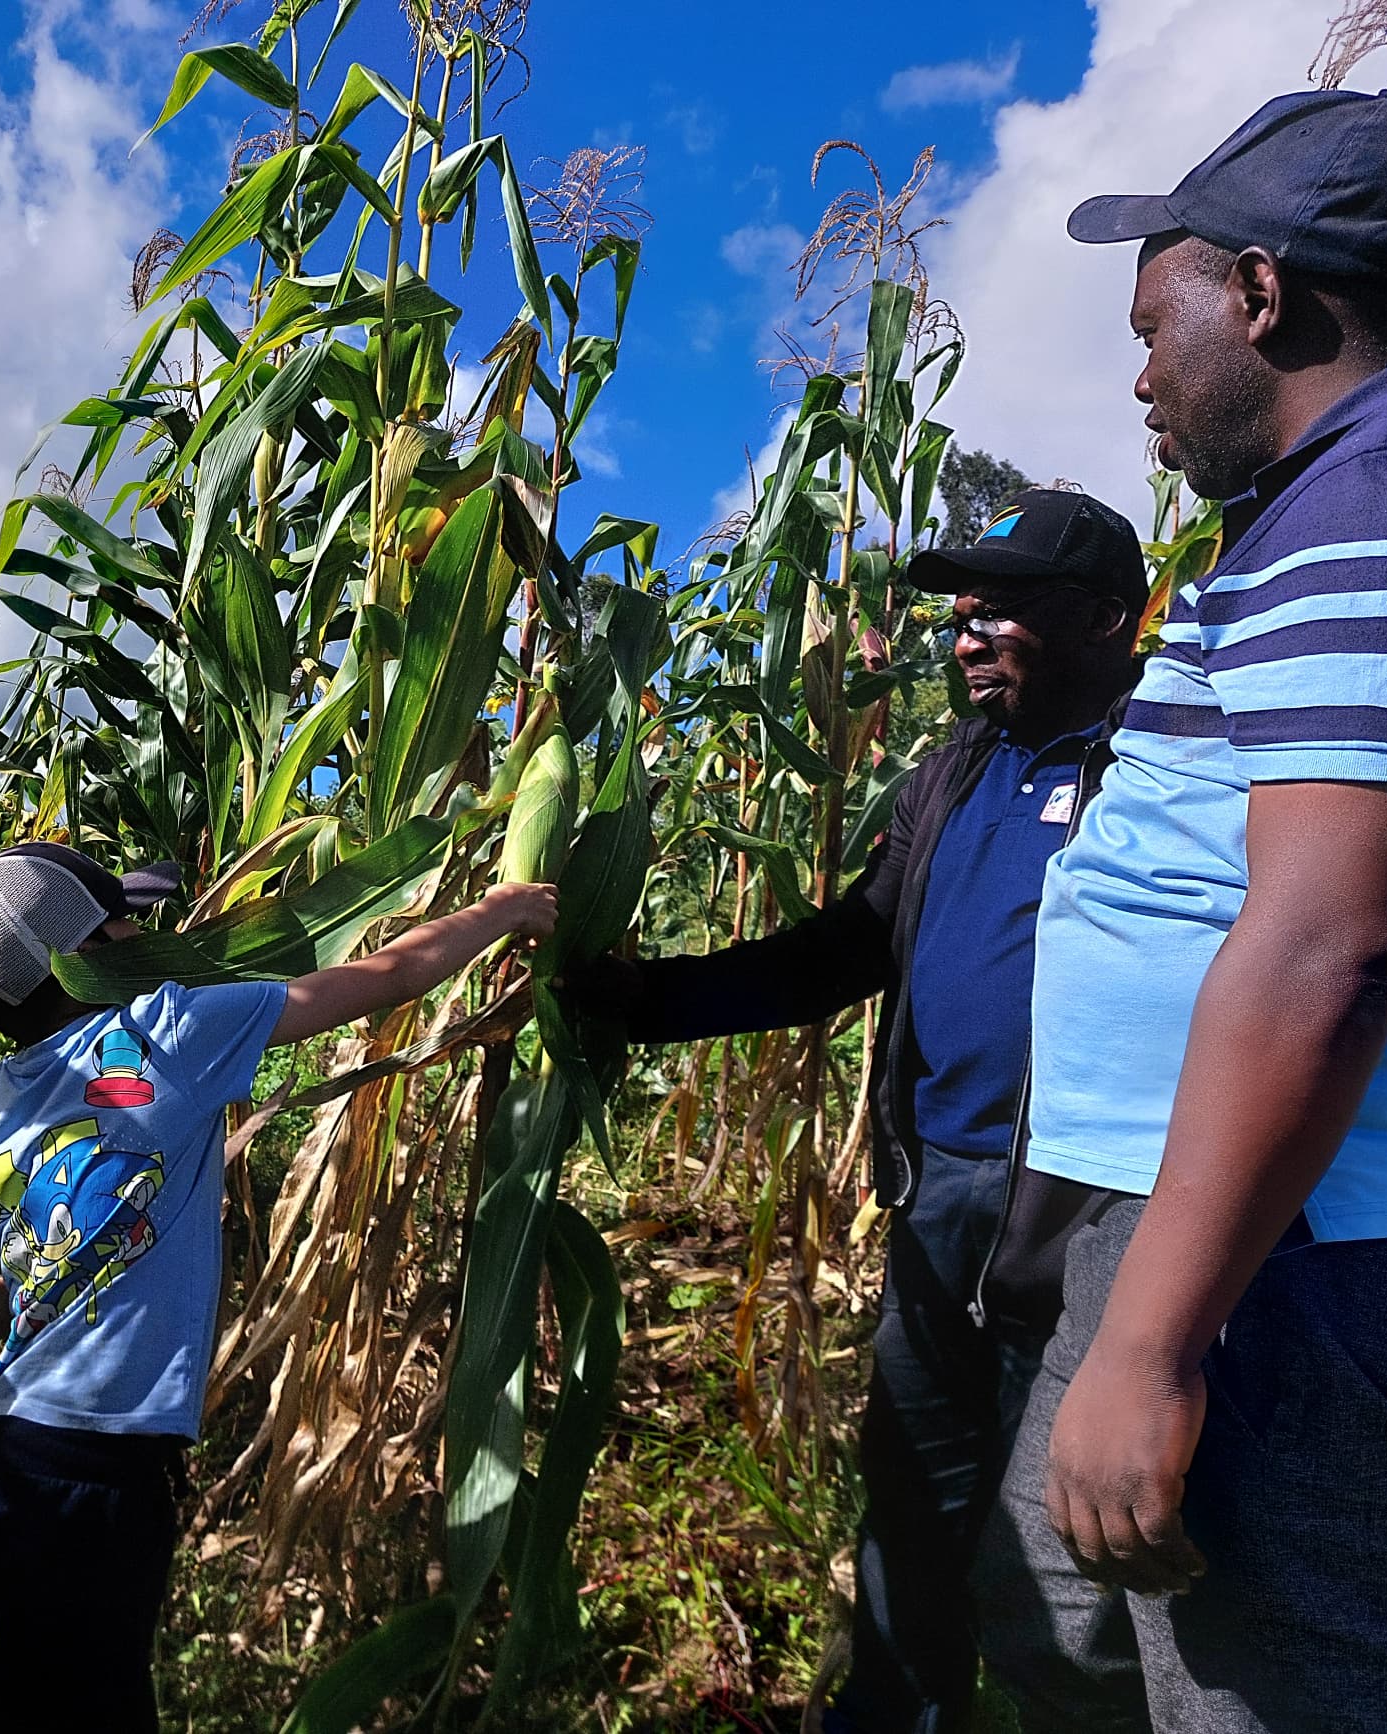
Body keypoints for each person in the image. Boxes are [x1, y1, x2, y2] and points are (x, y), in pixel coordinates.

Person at [977, 89, 1387, 1733]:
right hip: (1251, 1230)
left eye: (1153, 327)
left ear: (1259, 295)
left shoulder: (1383, 484)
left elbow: (1331, 944)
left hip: (1295, 1252)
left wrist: (1150, 1342)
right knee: (1080, 1628)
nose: (1140, 377)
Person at [566, 488, 1145, 1734]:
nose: (962, 636)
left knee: (1060, 1569)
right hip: (941, 1193)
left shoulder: (1167, 765)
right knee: (910, 1511)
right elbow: (852, 945)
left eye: (996, 612)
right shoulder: (953, 772)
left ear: (1103, 619)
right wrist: (641, 1001)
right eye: (957, 612)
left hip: (1097, 1213)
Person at [0, 845, 558, 1732]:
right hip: (111, 1467)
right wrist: (502, 909)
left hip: (11, 1458)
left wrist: (54, 1276)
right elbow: (386, 978)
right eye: (128, 923)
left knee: (29, 1697)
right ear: (84, 955)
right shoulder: (167, 1035)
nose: (151, 936)